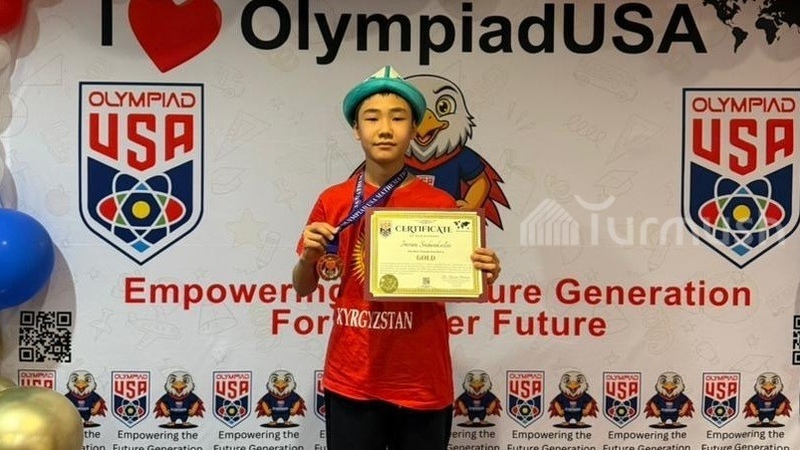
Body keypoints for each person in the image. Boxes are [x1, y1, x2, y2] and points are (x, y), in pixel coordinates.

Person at [292, 66, 502, 450]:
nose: (385, 129)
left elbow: (462, 280)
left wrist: (482, 271)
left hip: (421, 381)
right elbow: (303, 286)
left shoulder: (442, 205)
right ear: (356, 129)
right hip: (352, 377)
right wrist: (309, 258)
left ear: (415, 129)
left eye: (398, 118)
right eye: (372, 118)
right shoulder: (332, 200)